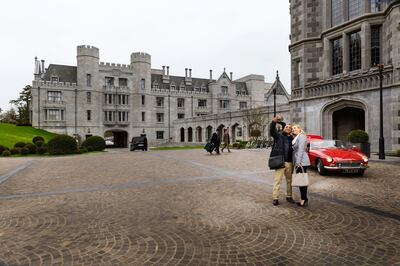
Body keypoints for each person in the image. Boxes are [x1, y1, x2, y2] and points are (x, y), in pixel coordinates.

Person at [269, 115, 295, 206]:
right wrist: (274, 122)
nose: (287, 128)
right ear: (284, 128)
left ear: (291, 130)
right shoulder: (278, 136)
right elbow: (272, 131)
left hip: (289, 162)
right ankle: (275, 198)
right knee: (277, 181)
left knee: (289, 181)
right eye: (286, 127)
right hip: (280, 161)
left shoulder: (293, 139)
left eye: (289, 127)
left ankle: (289, 196)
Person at [292, 124, 311, 207]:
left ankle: (303, 199)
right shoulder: (296, 137)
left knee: (302, 181)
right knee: (300, 181)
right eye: (292, 128)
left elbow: (300, 150)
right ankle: (304, 198)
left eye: (295, 128)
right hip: (299, 161)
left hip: (302, 162)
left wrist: (298, 162)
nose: (293, 129)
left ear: (299, 129)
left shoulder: (302, 136)